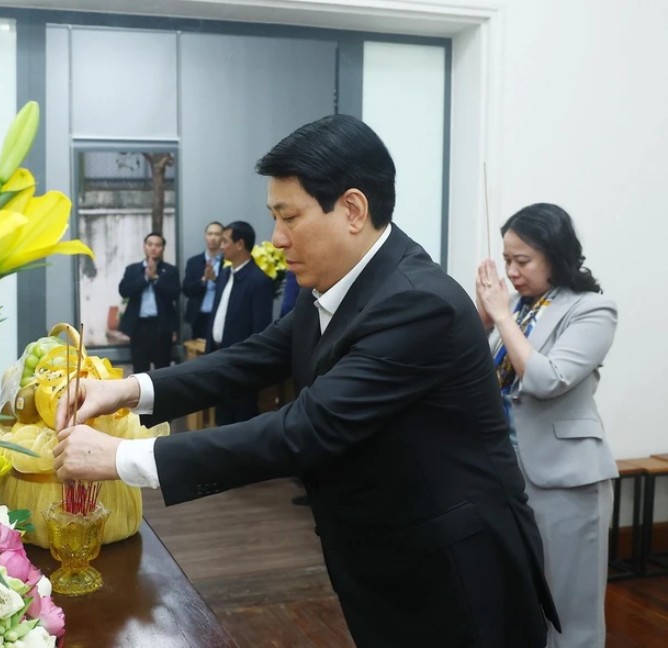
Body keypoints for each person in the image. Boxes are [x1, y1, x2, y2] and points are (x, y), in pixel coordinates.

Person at [54, 114, 559, 647]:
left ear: (352, 210)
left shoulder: (417, 302)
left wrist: (119, 459)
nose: (276, 237)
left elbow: (304, 429)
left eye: (288, 216)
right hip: (384, 559)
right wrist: (127, 390)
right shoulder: (343, 286)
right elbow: (248, 358)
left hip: (455, 573)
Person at [475, 203, 617, 648]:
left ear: (555, 256)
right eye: (507, 260)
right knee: (519, 598)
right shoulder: (515, 309)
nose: (512, 272)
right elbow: (467, 375)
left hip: (566, 479)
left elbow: (545, 379)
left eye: (523, 260)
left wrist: (500, 316)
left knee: (572, 610)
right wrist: (482, 321)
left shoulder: (593, 309)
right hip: (508, 475)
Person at [207, 220, 274, 424]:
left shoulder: (259, 281)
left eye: (225, 241)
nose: (221, 245)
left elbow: (260, 329)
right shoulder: (225, 274)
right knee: (221, 420)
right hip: (218, 358)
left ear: (240, 244)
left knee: (241, 422)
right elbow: (217, 314)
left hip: (240, 365)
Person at [118, 232, 181, 375]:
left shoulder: (170, 270)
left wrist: (156, 279)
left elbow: (175, 293)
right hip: (139, 327)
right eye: (150, 244)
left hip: (162, 326)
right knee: (140, 369)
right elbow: (124, 291)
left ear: (163, 248)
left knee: (163, 369)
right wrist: (146, 278)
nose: (153, 248)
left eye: (158, 245)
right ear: (144, 247)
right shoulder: (133, 269)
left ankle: (163, 397)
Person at [182, 221, 224, 340]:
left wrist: (215, 279)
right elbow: (186, 290)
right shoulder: (194, 262)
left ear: (223, 237)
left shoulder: (228, 262)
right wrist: (204, 279)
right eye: (210, 234)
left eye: (217, 234)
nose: (213, 238)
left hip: (221, 316)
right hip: (199, 316)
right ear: (205, 236)